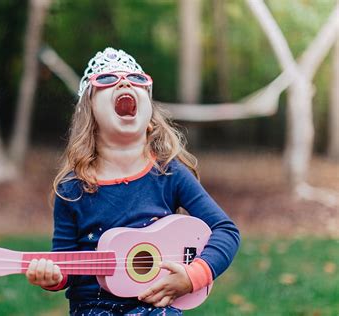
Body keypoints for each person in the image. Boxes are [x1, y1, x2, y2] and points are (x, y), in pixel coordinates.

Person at [25, 47, 240, 315]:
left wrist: (193, 275)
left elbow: (226, 230)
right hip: (93, 308)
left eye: (137, 79)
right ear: (89, 113)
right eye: (107, 80)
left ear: (150, 116)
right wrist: (52, 277)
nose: (125, 82)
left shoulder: (169, 174)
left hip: (156, 304)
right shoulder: (71, 189)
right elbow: (65, 263)